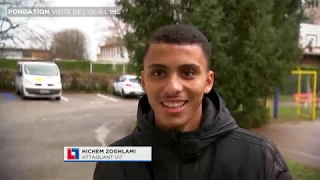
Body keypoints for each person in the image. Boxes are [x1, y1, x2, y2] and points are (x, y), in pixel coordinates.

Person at [93, 24, 293, 180]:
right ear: (144, 81)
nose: (173, 87)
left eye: (188, 73)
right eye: (159, 73)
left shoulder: (257, 158)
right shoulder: (114, 163)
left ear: (208, 81)